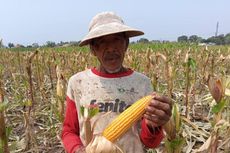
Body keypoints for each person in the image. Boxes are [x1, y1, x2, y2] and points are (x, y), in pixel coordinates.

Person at [61, 11, 172, 153]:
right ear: (93, 49)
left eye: (117, 40)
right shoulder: (78, 83)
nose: (111, 48)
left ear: (126, 44)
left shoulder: (142, 84)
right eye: (102, 42)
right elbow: (69, 131)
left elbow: (150, 143)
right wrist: (77, 149)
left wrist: (153, 125)